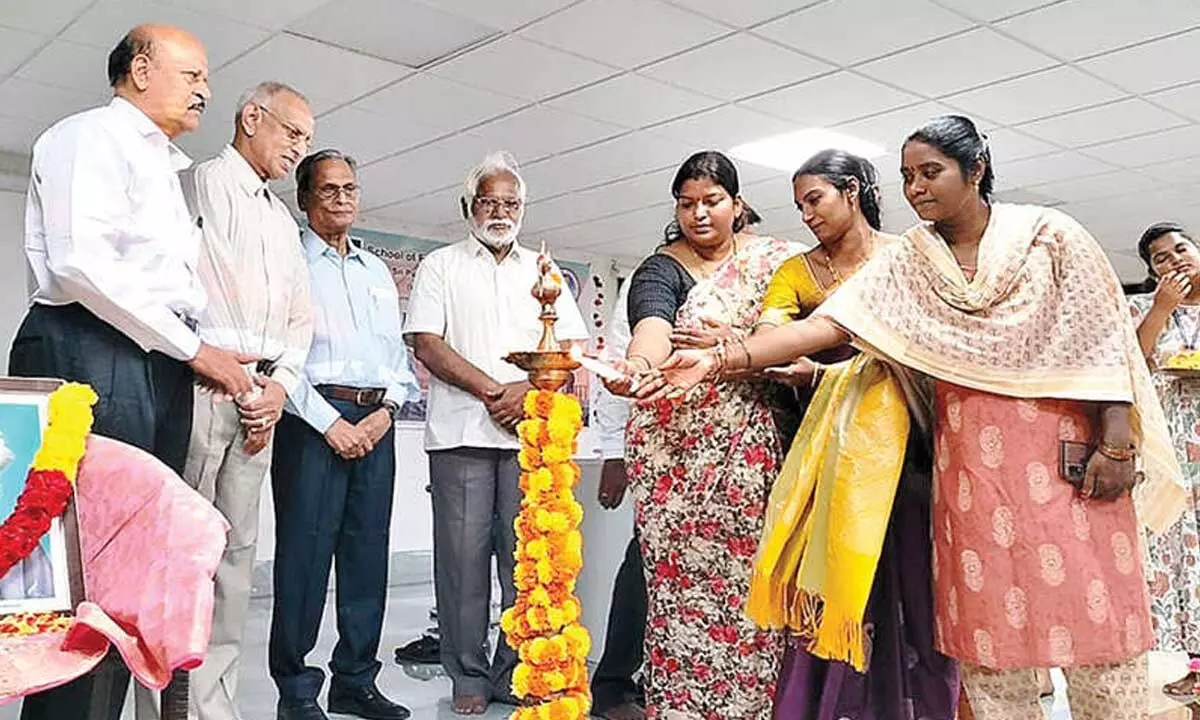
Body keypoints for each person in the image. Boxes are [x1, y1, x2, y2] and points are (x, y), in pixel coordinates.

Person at [649, 116, 1184, 720]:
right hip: (973, 479)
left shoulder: (1049, 234)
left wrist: (1117, 443)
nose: (916, 188)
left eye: (931, 172)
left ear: (976, 169)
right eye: (907, 176)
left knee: (1100, 640)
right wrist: (724, 357)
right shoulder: (915, 261)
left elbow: (1100, 335)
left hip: (1068, 464)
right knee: (991, 651)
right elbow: (832, 324)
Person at [7, 24, 258, 720]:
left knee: (131, 572)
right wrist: (191, 348)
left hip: (150, 361)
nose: (207, 89)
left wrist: (199, 350)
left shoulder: (162, 165)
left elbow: (162, 288)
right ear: (140, 70)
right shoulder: (89, 137)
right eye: (193, 74)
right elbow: (81, 265)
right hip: (88, 351)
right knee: (82, 583)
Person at [750, 149, 958, 719]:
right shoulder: (798, 271)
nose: (807, 216)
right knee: (836, 582)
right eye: (799, 207)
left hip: (912, 447)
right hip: (834, 454)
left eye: (814, 200)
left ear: (854, 191)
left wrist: (819, 366)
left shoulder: (909, 256)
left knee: (917, 587)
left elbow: (933, 347)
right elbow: (774, 327)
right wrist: (748, 346)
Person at [603, 151, 798, 719]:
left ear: (737, 205)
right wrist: (639, 368)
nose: (699, 214)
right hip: (674, 459)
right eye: (686, 204)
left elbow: (799, 335)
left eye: (711, 202)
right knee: (676, 595)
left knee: (748, 594)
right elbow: (652, 325)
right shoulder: (661, 267)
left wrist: (731, 342)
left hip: (751, 460)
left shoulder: (775, 263)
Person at [404, 151, 588, 716]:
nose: (501, 211)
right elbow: (425, 342)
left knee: (525, 560)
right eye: (490, 200)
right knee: (461, 563)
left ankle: (517, 670)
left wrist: (525, 397)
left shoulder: (545, 272)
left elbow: (571, 351)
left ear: (523, 209)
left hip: (530, 440)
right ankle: (467, 675)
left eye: (511, 203)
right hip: (461, 434)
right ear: (469, 206)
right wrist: (493, 391)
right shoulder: (440, 266)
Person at [178, 80, 315, 720]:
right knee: (186, 554)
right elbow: (173, 294)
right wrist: (230, 372)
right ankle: (172, 707)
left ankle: (217, 707)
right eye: (292, 133)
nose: (298, 149)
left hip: (261, 403)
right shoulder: (195, 185)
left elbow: (299, 319)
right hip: (203, 386)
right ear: (251, 117)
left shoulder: (283, 220)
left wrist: (279, 388)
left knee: (235, 561)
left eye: (306, 141)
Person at [269, 149, 418, 720]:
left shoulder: (377, 272)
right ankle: (297, 693)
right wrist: (329, 423)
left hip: (376, 422)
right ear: (305, 200)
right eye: (329, 190)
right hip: (311, 423)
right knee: (304, 560)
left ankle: (355, 681)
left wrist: (386, 414)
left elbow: (397, 361)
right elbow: (278, 356)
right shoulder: (289, 264)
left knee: (365, 559)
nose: (342, 199)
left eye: (350, 189)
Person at [1130, 221, 1200, 697]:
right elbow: (1132, 359)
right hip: (1175, 455)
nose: (1174, 259)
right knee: (1186, 562)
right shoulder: (1144, 307)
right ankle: (1196, 665)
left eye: (1181, 249)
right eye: (1160, 258)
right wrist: (1161, 309)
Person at [590, 277, 647, 720]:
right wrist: (614, 453)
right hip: (661, 448)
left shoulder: (758, 270)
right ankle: (613, 684)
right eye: (692, 202)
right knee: (643, 564)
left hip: (739, 450)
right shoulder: (653, 276)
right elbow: (617, 368)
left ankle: (670, 680)